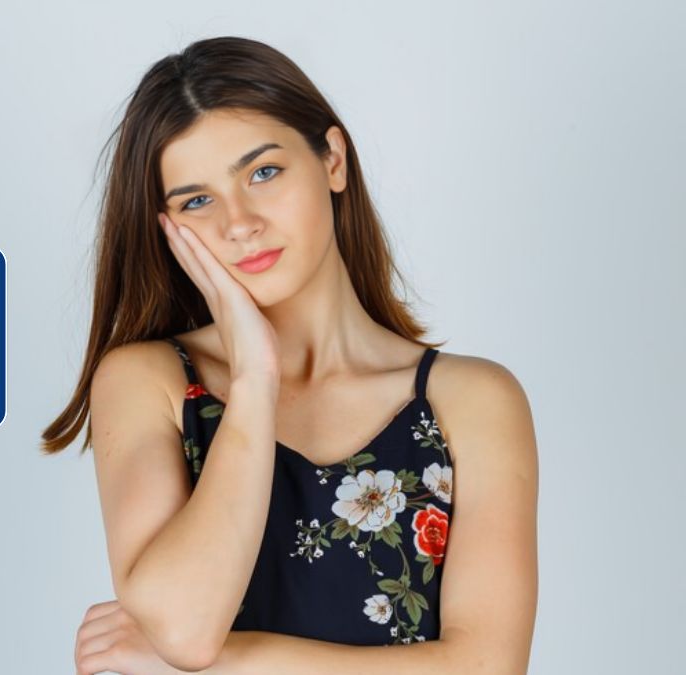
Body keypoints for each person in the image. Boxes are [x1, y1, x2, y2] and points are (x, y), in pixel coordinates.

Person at [41, 36, 538, 674]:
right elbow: (188, 629)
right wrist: (253, 379)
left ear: (333, 159)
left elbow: (489, 668)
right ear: (166, 227)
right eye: (197, 200)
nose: (238, 221)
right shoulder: (151, 381)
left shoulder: (471, 401)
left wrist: (225, 664)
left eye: (263, 172)